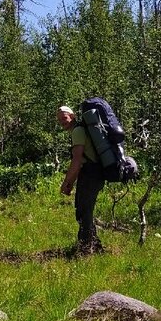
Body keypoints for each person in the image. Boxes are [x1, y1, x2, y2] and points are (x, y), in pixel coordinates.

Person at [57, 105, 105, 254]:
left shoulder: (77, 131)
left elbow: (77, 161)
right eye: (59, 120)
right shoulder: (79, 130)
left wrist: (67, 183)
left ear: (73, 116)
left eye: (64, 118)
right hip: (93, 174)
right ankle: (94, 246)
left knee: (83, 212)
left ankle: (84, 250)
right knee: (85, 211)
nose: (62, 122)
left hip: (91, 175)